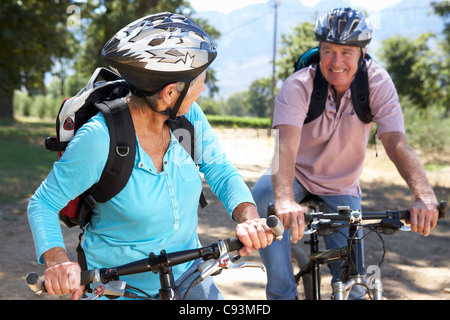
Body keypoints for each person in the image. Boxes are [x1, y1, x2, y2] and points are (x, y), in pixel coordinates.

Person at [27, 12, 273, 300]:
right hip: (116, 285)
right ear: (169, 93)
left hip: (187, 274)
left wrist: (249, 217)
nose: (203, 88)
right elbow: (42, 203)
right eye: (199, 82)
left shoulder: (187, 119)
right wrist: (56, 260)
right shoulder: (100, 138)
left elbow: (220, 169)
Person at [251, 7, 440, 300]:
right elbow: (283, 145)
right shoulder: (299, 84)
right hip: (296, 175)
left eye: (346, 52)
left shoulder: (377, 83)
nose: (336, 62)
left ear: (362, 54)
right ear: (319, 50)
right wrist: (285, 199)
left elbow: (394, 141)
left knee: (353, 284)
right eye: (328, 52)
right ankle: (282, 294)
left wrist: (424, 194)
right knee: (265, 198)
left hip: (342, 186)